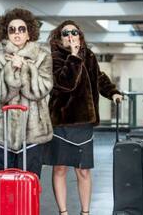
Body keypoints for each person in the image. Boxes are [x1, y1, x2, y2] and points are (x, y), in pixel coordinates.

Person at [44, 20, 123, 215]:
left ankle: (85, 212)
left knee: (84, 170)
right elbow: (65, 84)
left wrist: (113, 92)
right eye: (65, 33)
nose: (70, 35)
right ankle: (63, 212)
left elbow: (99, 77)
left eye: (74, 32)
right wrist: (72, 56)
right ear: (59, 38)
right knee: (60, 169)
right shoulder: (54, 59)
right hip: (61, 122)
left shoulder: (89, 56)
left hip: (83, 123)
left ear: (80, 35)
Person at [0, 8, 53, 177]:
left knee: (29, 184)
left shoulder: (43, 57)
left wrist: (24, 69)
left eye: (22, 29)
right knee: (0, 183)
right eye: (12, 29)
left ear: (29, 33)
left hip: (32, 133)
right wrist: (10, 69)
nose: (17, 33)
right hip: (1, 132)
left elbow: (41, 90)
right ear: (6, 34)